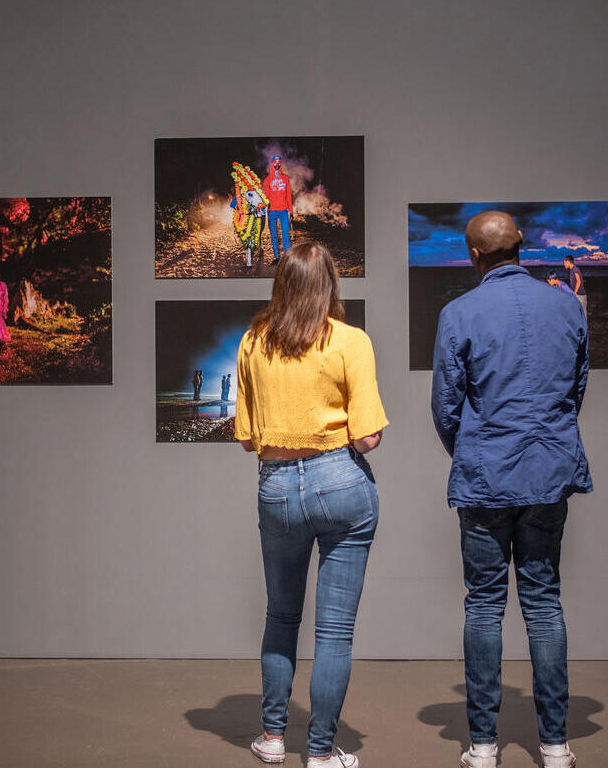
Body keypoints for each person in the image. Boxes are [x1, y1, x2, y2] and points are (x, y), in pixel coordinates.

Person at [431, 211, 591, 768]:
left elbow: (446, 409)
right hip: (548, 473)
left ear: (473, 256)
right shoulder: (566, 306)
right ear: (522, 247)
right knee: (544, 604)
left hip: (483, 478)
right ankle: (554, 746)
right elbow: (575, 391)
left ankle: (481, 746)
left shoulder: (457, 314)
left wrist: (477, 450)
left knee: (483, 606)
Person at [235, 241, 388, 768]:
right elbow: (368, 438)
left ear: (281, 285)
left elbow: (247, 436)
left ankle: (273, 739)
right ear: (329, 285)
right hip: (341, 483)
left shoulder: (254, 342)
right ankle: (320, 753)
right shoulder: (350, 341)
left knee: (281, 616)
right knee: (334, 631)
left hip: (276, 485)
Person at [263, 154, 295, 264]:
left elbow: (289, 195)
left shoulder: (285, 178)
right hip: (271, 211)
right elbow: (265, 197)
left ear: (281, 165)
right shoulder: (267, 180)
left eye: (279, 162)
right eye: (275, 162)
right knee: (274, 235)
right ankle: (276, 257)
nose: (277, 164)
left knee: (285, 234)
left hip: (283, 211)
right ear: (271, 164)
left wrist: (291, 211)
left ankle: (286, 258)